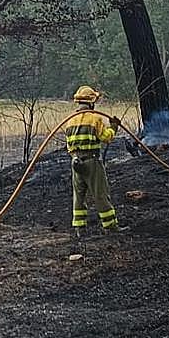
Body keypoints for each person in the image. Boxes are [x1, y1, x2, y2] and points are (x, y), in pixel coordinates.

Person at [64, 85, 123, 236]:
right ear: (91, 102)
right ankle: (110, 227)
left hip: (76, 162)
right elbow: (106, 137)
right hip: (92, 161)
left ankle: (80, 229)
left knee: (79, 196)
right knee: (100, 194)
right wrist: (114, 127)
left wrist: (76, 157)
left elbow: (69, 146)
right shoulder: (94, 118)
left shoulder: (70, 121)